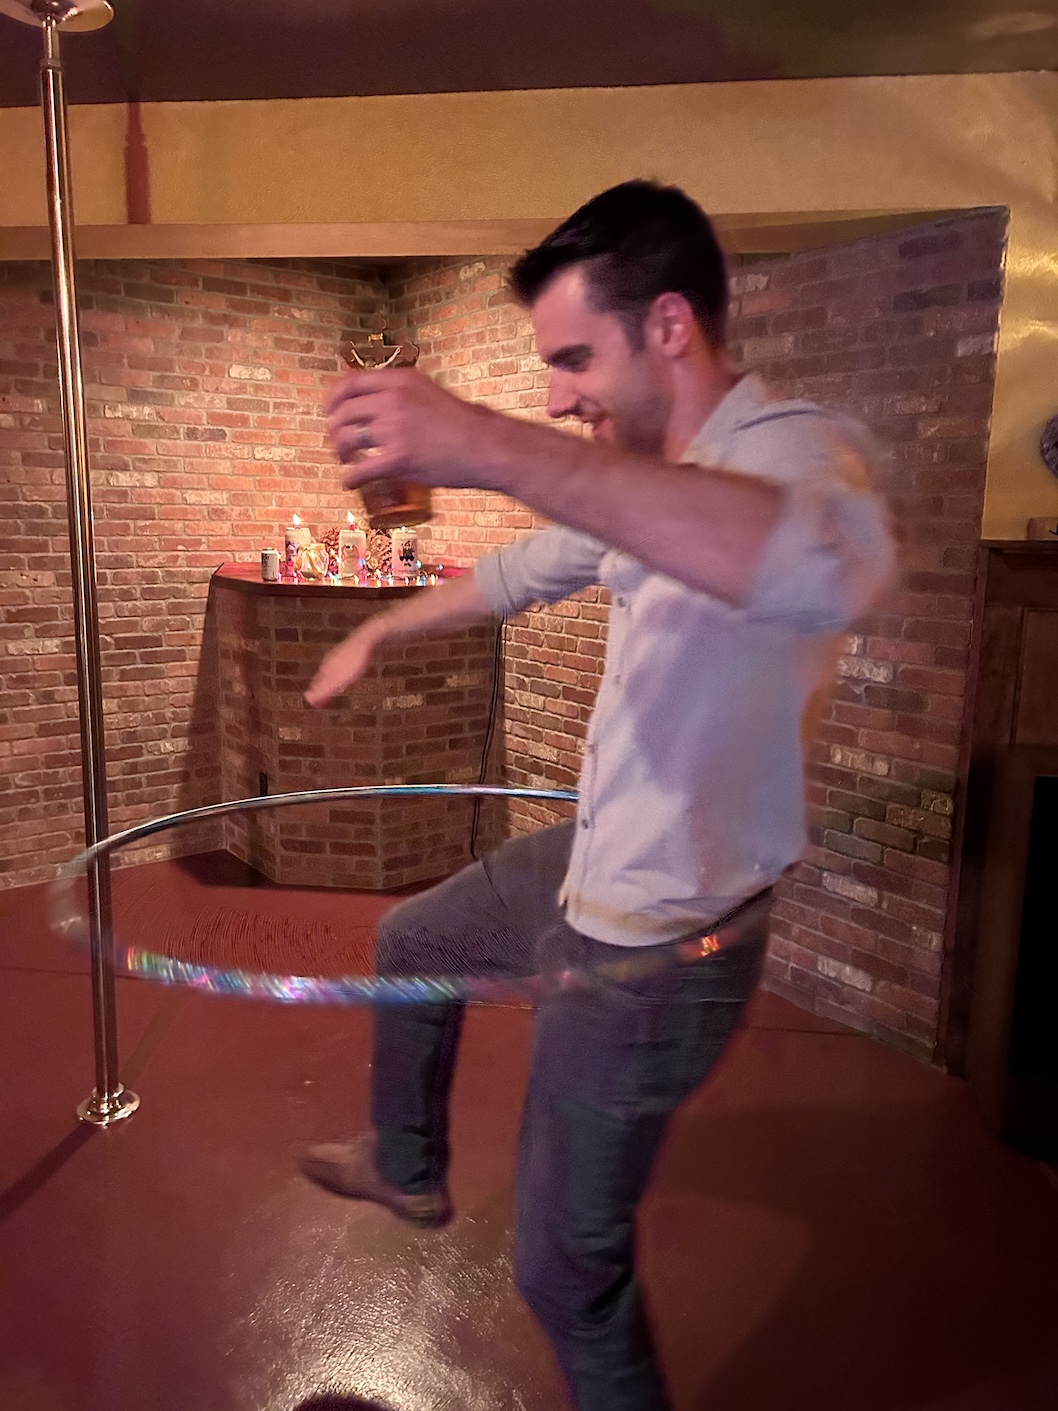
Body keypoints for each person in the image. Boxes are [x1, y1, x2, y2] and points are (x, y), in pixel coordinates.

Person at [301, 180, 895, 1411]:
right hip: (590, 862)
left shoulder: (794, 452)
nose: (556, 397)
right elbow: (524, 568)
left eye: (572, 359)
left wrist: (479, 443)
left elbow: (800, 557)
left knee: (566, 1272)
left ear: (668, 325)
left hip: (656, 942)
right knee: (414, 941)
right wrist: (378, 629)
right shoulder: (647, 467)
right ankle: (406, 1163)